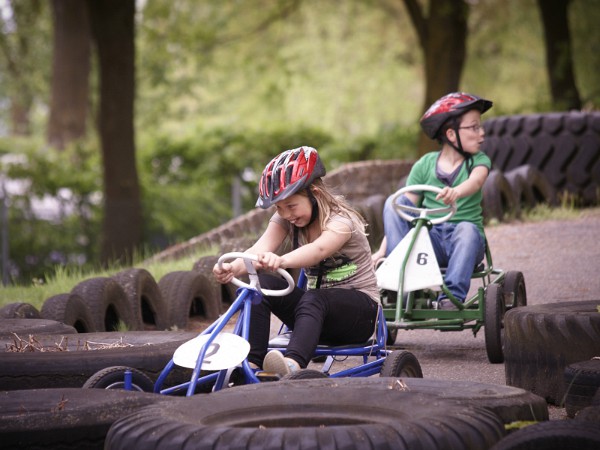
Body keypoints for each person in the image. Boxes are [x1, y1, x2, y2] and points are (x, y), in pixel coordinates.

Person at [213, 146, 380, 376]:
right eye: (279, 208)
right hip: (314, 316)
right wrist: (233, 267)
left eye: (291, 206)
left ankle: (292, 365)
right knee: (260, 284)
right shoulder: (286, 218)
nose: (286, 214)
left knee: (313, 298)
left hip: (359, 315)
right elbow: (258, 249)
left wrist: (280, 260)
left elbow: (319, 249)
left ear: (315, 194)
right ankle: (252, 365)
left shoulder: (342, 221)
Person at [372, 92, 493, 310]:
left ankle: (451, 298)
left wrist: (456, 191)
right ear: (451, 134)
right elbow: (401, 212)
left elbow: (476, 182)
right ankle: (400, 279)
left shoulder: (479, 161)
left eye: (480, 127)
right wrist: (383, 250)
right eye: (474, 127)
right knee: (393, 201)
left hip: (465, 243)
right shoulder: (425, 165)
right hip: (431, 242)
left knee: (466, 229)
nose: (481, 134)